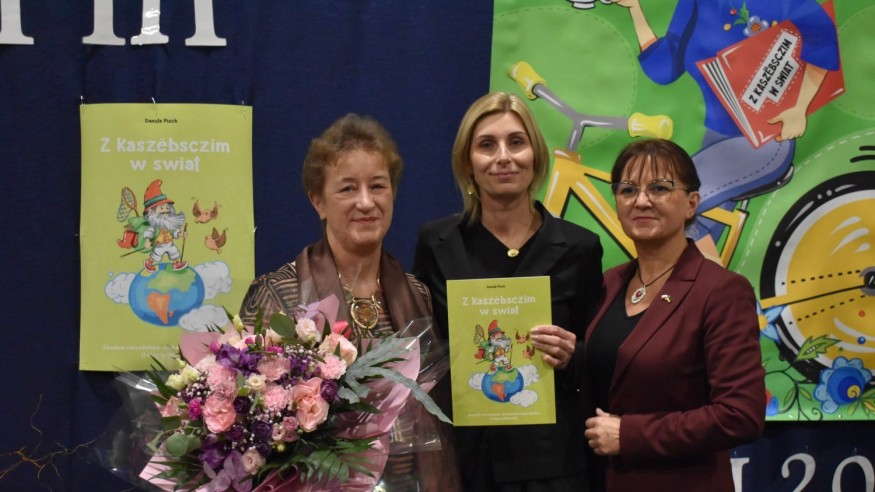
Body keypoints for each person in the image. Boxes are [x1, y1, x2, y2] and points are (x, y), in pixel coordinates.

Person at [239, 113, 459, 491]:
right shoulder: (277, 294)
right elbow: (251, 424)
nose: (366, 202)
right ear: (318, 201)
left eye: (378, 186)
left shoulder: (418, 294)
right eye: (347, 189)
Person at [412, 92, 604, 491]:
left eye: (516, 142)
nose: (503, 157)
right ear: (467, 162)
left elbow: (599, 356)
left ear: (536, 156)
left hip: (553, 466)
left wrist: (573, 354)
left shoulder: (580, 248)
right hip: (465, 463)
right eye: (487, 145)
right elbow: (423, 351)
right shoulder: (437, 243)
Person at [583, 138, 765, 492]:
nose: (641, 200)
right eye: (628, 190)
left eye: (660, 188)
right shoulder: (607, 284)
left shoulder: (721, 291)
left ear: (692, 203)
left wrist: (630, 435)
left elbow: (740, 415)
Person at [603, 0, 840, 260]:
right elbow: (666, 65)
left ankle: (716, 284)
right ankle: (710, 283)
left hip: (764, 142)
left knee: (672, 206)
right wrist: (635, 9)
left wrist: (799, 108)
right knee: (689, 234)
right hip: (714, 141)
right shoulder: (694, 3)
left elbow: (822, 38)